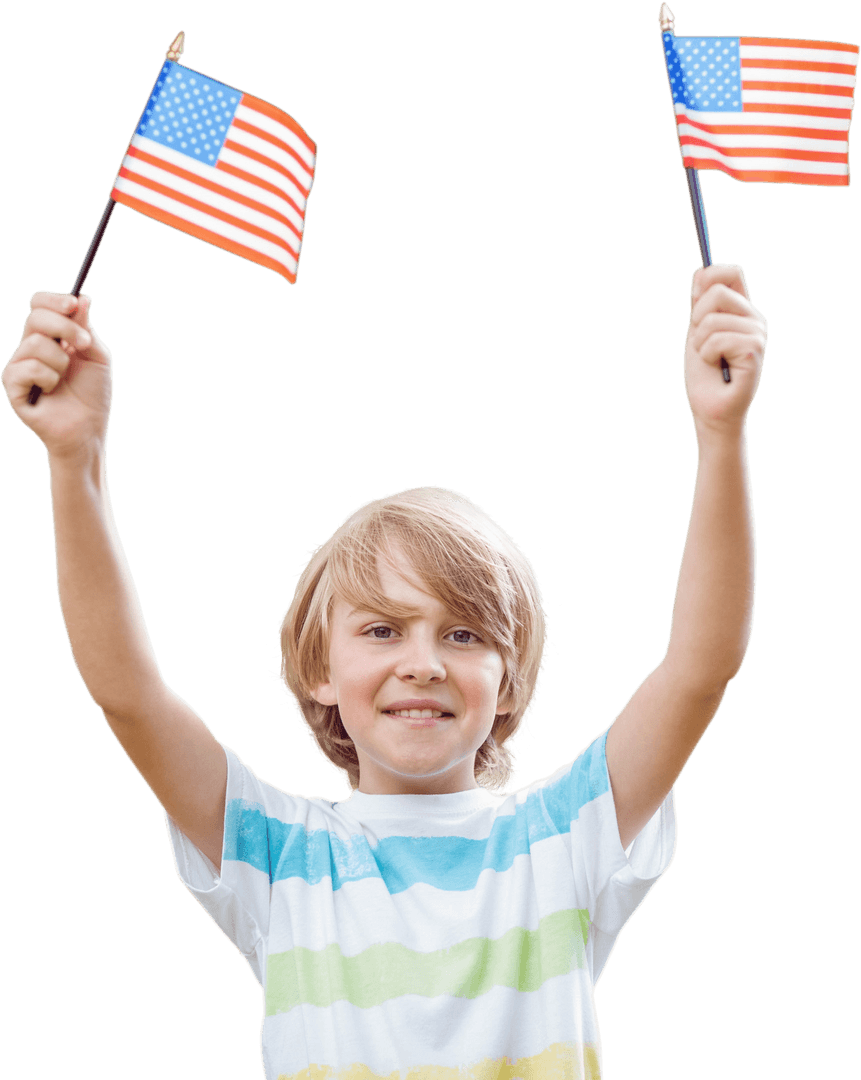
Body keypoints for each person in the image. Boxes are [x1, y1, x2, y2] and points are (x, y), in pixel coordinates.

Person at [1, 264, 766, 1079]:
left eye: (464, 634)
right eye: (381, 630)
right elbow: (128, 696)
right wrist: (75, 461)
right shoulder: (277, 855)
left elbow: (699, 668)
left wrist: (721, 435)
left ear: (508, 681)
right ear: (320, 669)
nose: (423, 664)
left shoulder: (563, 837)